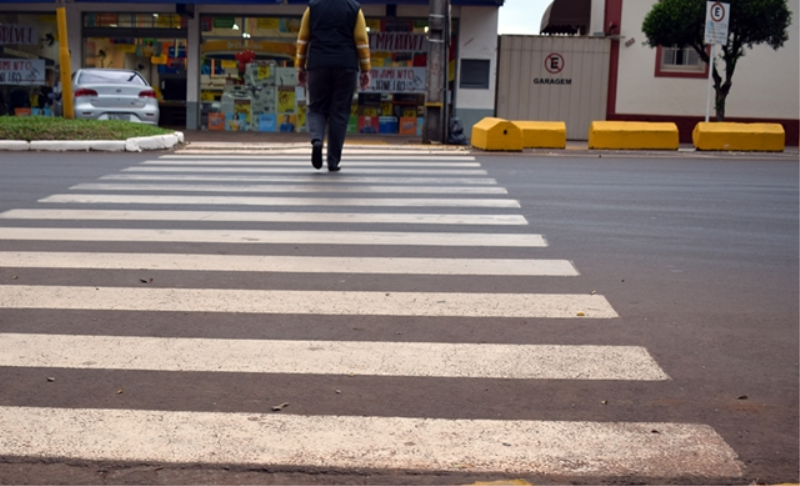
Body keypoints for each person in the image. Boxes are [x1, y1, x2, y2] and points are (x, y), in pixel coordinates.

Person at [296, 0, 371, 172]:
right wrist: (366, 69)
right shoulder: (354, 8)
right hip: (346, 65)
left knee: (316, 108)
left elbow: (303, 40)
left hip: (318, 63)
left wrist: (300, 66)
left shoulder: (313, 7)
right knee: (340, 112)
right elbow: (361, 40)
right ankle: (333, 161)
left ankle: (317, 139)